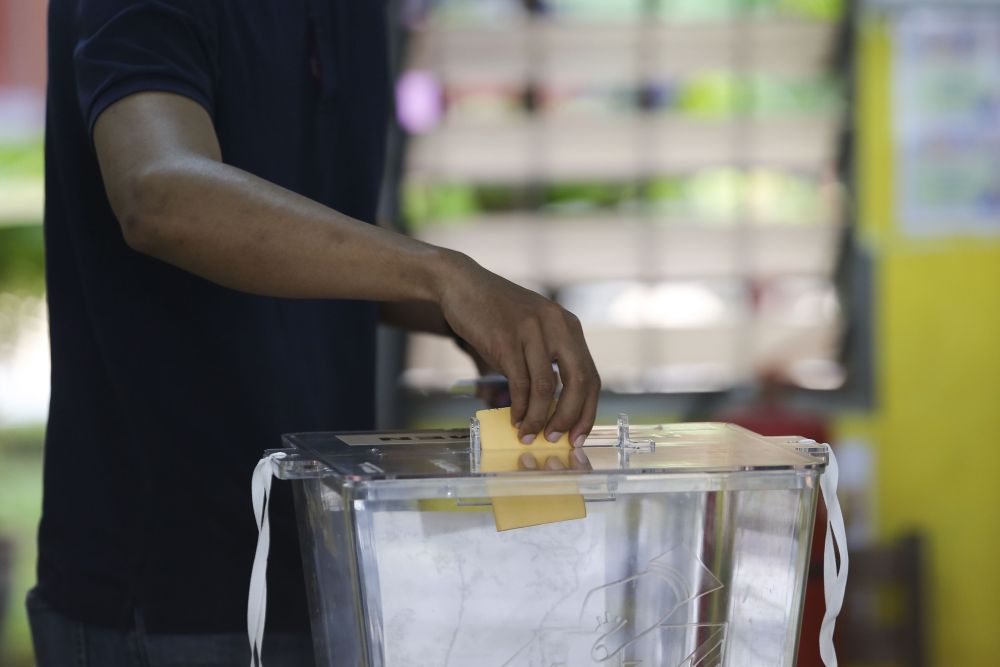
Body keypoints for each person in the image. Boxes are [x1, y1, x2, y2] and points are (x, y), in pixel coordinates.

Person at [28, 0, 601, 665]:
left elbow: (302, 233)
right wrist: (442, 278)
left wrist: (468, 309)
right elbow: (159, 193)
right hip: (165, 597)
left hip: (327, 566)